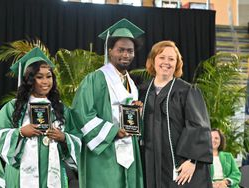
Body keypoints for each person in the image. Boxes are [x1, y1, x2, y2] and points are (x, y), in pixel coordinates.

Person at [71, 18, 144, 188]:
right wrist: (113, 132)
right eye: (121, 50)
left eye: (130, 51)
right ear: (110, 50)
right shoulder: (96, 79)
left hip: (128, 151)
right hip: (103, 151)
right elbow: (81, 113)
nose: (126, 55)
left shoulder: (131, 83)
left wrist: (137, 112)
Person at [0, 47, 81, 188]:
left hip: (54, 172)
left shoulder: (60, 108)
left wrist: (63, 137)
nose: (46, 81)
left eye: (49, 76)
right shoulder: (14, 107)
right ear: (29, 80)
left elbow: (77, 136)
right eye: (39, 77)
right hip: (21, 174)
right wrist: (21, 132)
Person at [139, 40, 213, 188]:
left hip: (180, 165)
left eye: (171, 59)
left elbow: (199, 127)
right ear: (153, 60)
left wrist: (192, 160)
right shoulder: (142, 91)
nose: (166, 62)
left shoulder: (187, 91)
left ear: (177, 64)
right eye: (162, 57)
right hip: (149, 163)